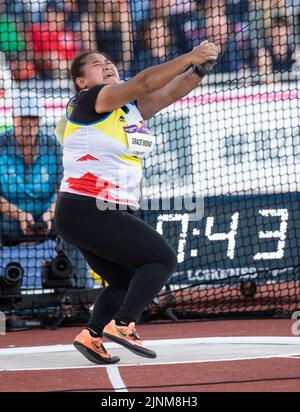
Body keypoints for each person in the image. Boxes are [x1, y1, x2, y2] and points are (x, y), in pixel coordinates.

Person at [54, 42, 219, 364]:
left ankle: (92, 335)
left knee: (124, 279)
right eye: (97, 64)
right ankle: (124, 323)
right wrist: (189, 56)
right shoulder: (91, 99)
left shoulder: (126, 109)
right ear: (81, 81)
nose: (107, 65)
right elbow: (144, 83)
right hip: (87, 206)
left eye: (109, 61)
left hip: (90, 212)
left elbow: (168, 93)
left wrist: (199, 70)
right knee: (162, 260)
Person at [0, 91, 92, 288]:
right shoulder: (1, 144)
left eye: (33, 121)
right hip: (7, 222)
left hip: (48, 220)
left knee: (77, 226)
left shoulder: (53, 146)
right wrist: (20, 216)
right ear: (13, 119)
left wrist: (50, 214)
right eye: (23, 121)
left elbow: (66, 186)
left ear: (40, 121)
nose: (28, 128)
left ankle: (81, 293)